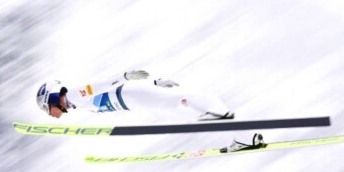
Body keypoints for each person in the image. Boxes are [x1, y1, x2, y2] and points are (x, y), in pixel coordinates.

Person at [36, 70, 235, 121]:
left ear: (52, 98)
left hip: (133, 95)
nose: (50, 114)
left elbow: (102, 84)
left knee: (179, 101)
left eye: (47, 108)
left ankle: (217, 111)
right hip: (135, 100)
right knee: (176, 112)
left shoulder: (73, 95)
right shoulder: (75, 102)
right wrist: (154, 82)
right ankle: (242, 135)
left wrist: (125, 76)